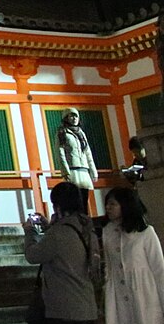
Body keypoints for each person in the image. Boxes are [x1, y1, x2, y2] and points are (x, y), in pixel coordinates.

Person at [23, 180, 99, 324]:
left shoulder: (58, 233)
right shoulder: (87, 228)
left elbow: (33, 255)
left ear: (57, 206)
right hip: (87, 305)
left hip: (64, 308)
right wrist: (49, 227)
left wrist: (29, 231)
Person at [102, 186, 164, 324]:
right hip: (118, 295)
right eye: (107, 203)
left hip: (145, 295)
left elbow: (159, 270)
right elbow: (109, 267)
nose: (108, 207)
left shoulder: (145, 233)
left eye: (113, 203)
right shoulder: (107, 232)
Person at [56, 108, 98, 192]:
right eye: (71, 116)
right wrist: (65, 171)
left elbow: (88, 152)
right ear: (66, 118)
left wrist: (93, 171)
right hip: (72, 170)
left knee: (85, 196)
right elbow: (60, 153)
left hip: (84, 169)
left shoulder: (81, 133)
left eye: (76, 116)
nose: (74, 118)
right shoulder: (62, 133)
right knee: (74, 196)